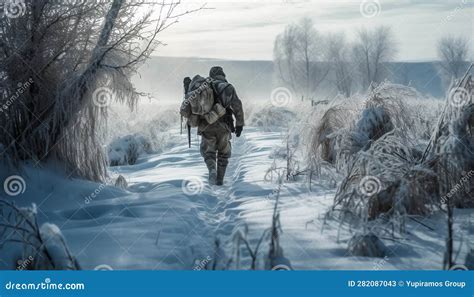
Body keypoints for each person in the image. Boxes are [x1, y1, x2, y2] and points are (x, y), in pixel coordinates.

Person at [198, 66, 244, 186]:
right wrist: (239, 124)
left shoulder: (204, 87)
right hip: (224, 126)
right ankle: (220, 180)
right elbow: (237, 106)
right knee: (224, 153)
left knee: (208, 152)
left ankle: (212, 170)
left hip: (207, 125)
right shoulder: (228, 87)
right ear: (223, 75)